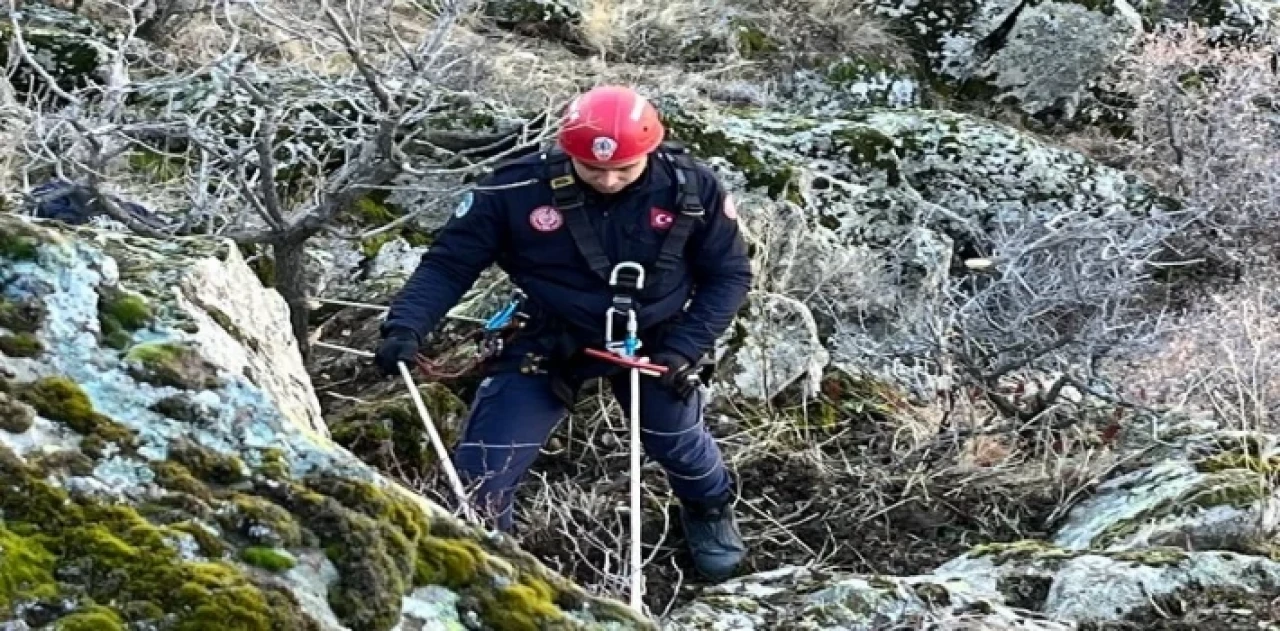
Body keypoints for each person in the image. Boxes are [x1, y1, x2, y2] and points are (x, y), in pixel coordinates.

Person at [372, 85, 753, 581]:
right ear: (567, 151)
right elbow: (449, 264)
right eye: (593, 169)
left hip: (656, 337)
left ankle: (709, 510)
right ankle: (493, 571)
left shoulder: (692, 189)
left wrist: (687, 349)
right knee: (483, 471)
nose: (609, 180)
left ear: (650, 152)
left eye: (624, 169)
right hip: (549, 335)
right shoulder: (514, 189)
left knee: (676, 437)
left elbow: (728, 275)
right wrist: (407, 324)